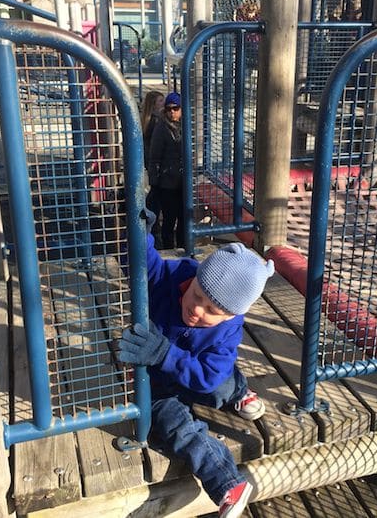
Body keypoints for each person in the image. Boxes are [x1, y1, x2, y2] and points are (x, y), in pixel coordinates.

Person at [116, 226, 275, 517]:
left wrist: (164, 353)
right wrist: (139, 230)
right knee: (177, 430)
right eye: (197, 294)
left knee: (220, 386)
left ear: (231, 315)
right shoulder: (174, 277)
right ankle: (228, 484)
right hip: (159, 386)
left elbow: (208, 378)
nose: (197, 310)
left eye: (212, 311)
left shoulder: (228, 331)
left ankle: (239, 389)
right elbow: (141, 263)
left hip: (200, 376)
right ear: (196, 278)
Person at [149, 92, 184, 249]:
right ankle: (169, 247)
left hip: (183, 181)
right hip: (167, 183)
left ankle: (183, 246)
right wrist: (155, 183)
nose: (172, 112)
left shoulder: (185, 126)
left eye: (175, 108)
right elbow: (154, 157)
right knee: (169, 218)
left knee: (184, 218)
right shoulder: (161, 128)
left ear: (181, 109)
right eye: (169, 109)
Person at [141, 90, 165, 246]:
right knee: (156, 195)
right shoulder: (157, 121)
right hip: (157, 163)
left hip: (149, 162)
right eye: (161, 102)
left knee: (154, 192)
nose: (164, 104)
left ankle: (152, 221)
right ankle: (152, 223)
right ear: (154, 104)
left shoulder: (145, 120)